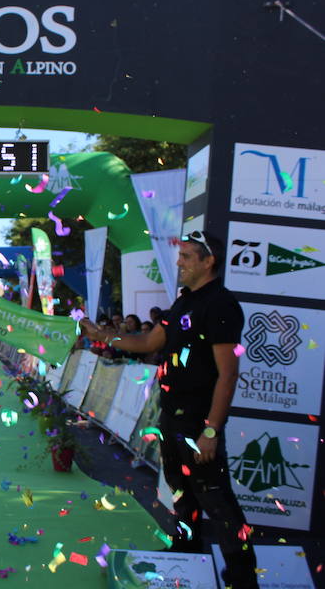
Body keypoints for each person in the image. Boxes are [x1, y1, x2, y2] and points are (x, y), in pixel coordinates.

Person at [79, 230, 258, 589]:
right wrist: (102, 336)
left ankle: (242, 578)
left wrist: (211, 429)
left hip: (197, 423)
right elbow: (147, 341)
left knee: (219, 505)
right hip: (171, 417)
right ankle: (188, 562)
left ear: (209, 261)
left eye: (188, 257)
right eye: (180, 256)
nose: (179, 263)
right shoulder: (183, 301)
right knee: (182, 497)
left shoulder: (220, 304)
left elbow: (228, 373)